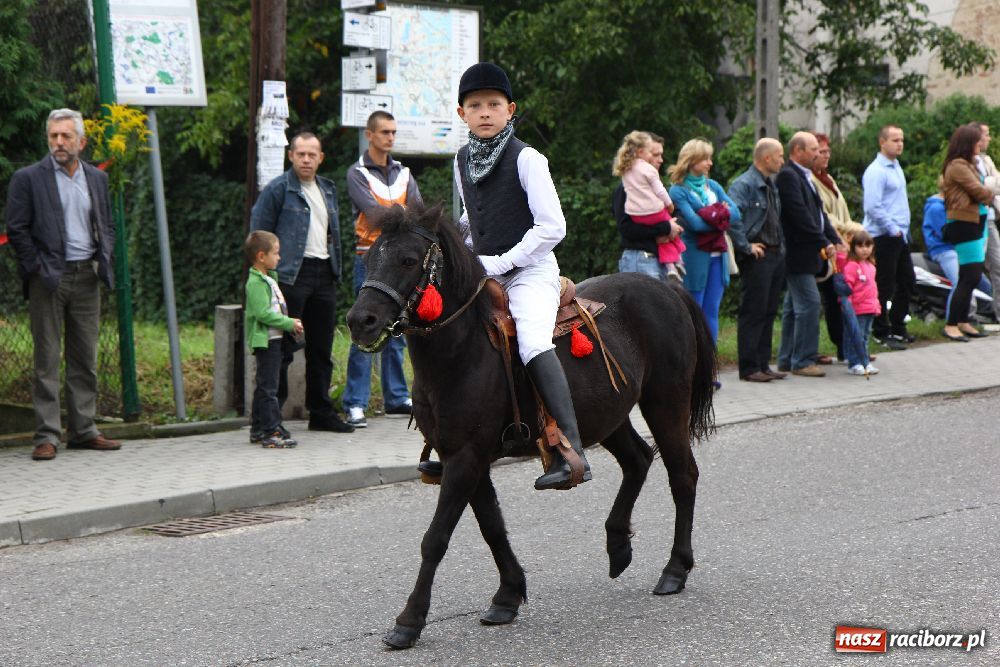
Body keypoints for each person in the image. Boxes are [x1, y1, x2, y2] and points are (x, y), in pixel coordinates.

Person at [453, 62, 589, 490]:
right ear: (462, 114)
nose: (485, 112)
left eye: (494, 104)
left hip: (531, 270)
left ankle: (571, 451)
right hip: (486, 270)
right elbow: (472, 219)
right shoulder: (461, 161)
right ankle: (451, 444)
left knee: (531, 340)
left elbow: (553, 227)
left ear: (510, 109)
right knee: (449, 335)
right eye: (476, 105)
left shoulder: (528, 158)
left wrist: (502, 262)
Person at [5, 108, 122, 461]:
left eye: (65, 136)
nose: (58, 142)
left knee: (84, 357)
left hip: (88, 275)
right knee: (47, 359)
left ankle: (84, 430)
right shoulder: (28, 178)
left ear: (81, 142)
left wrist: (104, 257)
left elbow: (107, 224)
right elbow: (17, 229)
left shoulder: (96, 179)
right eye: (53, 136)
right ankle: (47, 435)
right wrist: (38, 269)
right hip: (48, 280)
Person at [250, 132, 354, 433]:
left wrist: (336, 270)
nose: (306, 159)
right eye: (300, 154)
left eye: (312, 154)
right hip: (291, 275)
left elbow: (333, 235)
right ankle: (269, 419)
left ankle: (321, 412)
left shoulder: (327, 189)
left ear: (321, 158)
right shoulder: (278, 190)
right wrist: (267, 279)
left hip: (324, 274)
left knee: (321, 349)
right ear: (291, 156)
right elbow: (257, 235)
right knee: (281, 349)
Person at [343, 111, 423, 428]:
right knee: (364, 328)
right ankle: (354, 402)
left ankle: (396, 397)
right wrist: (401, 211)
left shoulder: (404, 172)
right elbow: (373, 214)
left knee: (398, 329)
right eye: (385, 132)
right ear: (370, 135)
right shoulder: (357, 173)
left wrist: (399, 212)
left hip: (399, 262)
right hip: (371, 260)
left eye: (393, 132)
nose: (390, 137)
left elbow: (416, 209)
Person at [775, 131, 842, 378]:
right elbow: (799, 215)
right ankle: (802, 360)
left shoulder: (805, 176)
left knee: (794, 306)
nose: (818, 153)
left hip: (808, 252)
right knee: (810, 304)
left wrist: (833, 238)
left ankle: (786, 358)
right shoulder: (788, 176)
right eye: (813, 149)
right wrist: (823, 241)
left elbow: (818, 213)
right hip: (797, 253)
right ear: (798, 151)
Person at [667, 138, 742, 343]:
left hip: (719, 256)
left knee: (711, 311)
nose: (710, 163)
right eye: (705, 159)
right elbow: (695, 225)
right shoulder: (678, 190)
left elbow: (735, 213)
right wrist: (720, 213)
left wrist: (711, 215)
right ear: (692, 161)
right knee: (695, 309)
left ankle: (711, 368)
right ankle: (694, 366)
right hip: (695, 256)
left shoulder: (713, 186)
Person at [728, 138, 786, 382]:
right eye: (780, 156)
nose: (783, 161)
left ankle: (763, 364)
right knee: (754, 311)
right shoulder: (744, 184)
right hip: (758, 257)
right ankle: (750, 367)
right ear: (766, 158)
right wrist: (746, 246)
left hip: (774, 253)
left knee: (769, 310)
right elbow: (732, 217)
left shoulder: (770, 184)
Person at [245, 231, 304, 447]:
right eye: (276, 253)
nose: (279, 258)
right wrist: (288, 323)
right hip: (266, 341)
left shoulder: (269, 279)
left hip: (275, 340)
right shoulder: (255, 282)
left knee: (266, 386)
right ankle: (271, 431)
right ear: (262, 256)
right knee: (269, 388)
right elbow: (262, 313)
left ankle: (258, 428)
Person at [940, 124, 998, 342]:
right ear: (967, 143)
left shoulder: (970, 164)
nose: (980, 144)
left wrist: (989, 190)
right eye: (976, 140)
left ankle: (963, 320)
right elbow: (980, 191)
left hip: (976, 221)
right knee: (970, 275)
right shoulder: (957, 166)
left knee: (971, 276)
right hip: (964, 224)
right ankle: (951, 324)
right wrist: (991, 190)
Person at [862, 125, 916, 350]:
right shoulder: (877, 170)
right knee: (884, 283)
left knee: (907, 281)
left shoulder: (895, 167)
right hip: (884, 235)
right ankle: (880, 329)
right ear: (882, 142)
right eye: (894, 140)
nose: (900, 144)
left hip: (899, 234)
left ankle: (897, 324)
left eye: (901, 139)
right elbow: (873, 206)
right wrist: (892, 227)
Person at [612, 131, 685, 280]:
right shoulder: (626, 188)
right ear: (640, 154)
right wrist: (666, 229)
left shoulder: (656, 186)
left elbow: (677, 213)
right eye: (654, 154)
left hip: (662, 261)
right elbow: (626, 229)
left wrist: (673, 228)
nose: (660, 160)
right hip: (641, 259)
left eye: (661, 155)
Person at [811, 133, 854, 363]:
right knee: (829, 298)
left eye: (828, 151)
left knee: (840, 297)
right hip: (827, 247)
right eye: (821, 151)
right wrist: (850, 229)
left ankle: (848, 344)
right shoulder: (811, 180)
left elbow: (842, 210)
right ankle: (840, 345)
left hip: (840, 244)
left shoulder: (828, 179)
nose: (826, 155)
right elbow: (825, 217)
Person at [922, 187, 991, 320]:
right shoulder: (936, 208)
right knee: (961, 281)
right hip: (944, 249)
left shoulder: (953, 205)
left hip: (958, 247)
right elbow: (945, 234)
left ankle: (987, 313)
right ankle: (957, 320)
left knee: (981, 281)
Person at [840, 230, 881, 375]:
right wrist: (847, 306)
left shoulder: (871, 266)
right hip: (856, 309)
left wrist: (876, 305)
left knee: (864, 337)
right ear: (853, 248)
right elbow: (847, 289)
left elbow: (873, 289)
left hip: (869, 308)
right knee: (855, 337)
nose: (865, 249)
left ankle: (864, 361)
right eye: (860, 246)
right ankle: (854, 363)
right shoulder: (852, 266)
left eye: (868, 246)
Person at [971, 122, 1000, 322]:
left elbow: (995, 184)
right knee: (972, 269)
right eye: (986, 135)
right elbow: (984, 187)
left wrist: (990, 185)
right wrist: (990, 184)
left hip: (990, 218)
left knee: (998, 265)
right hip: (974, 220)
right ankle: (967, 315)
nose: (989, 139)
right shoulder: (965, 162)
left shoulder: (986, 160)